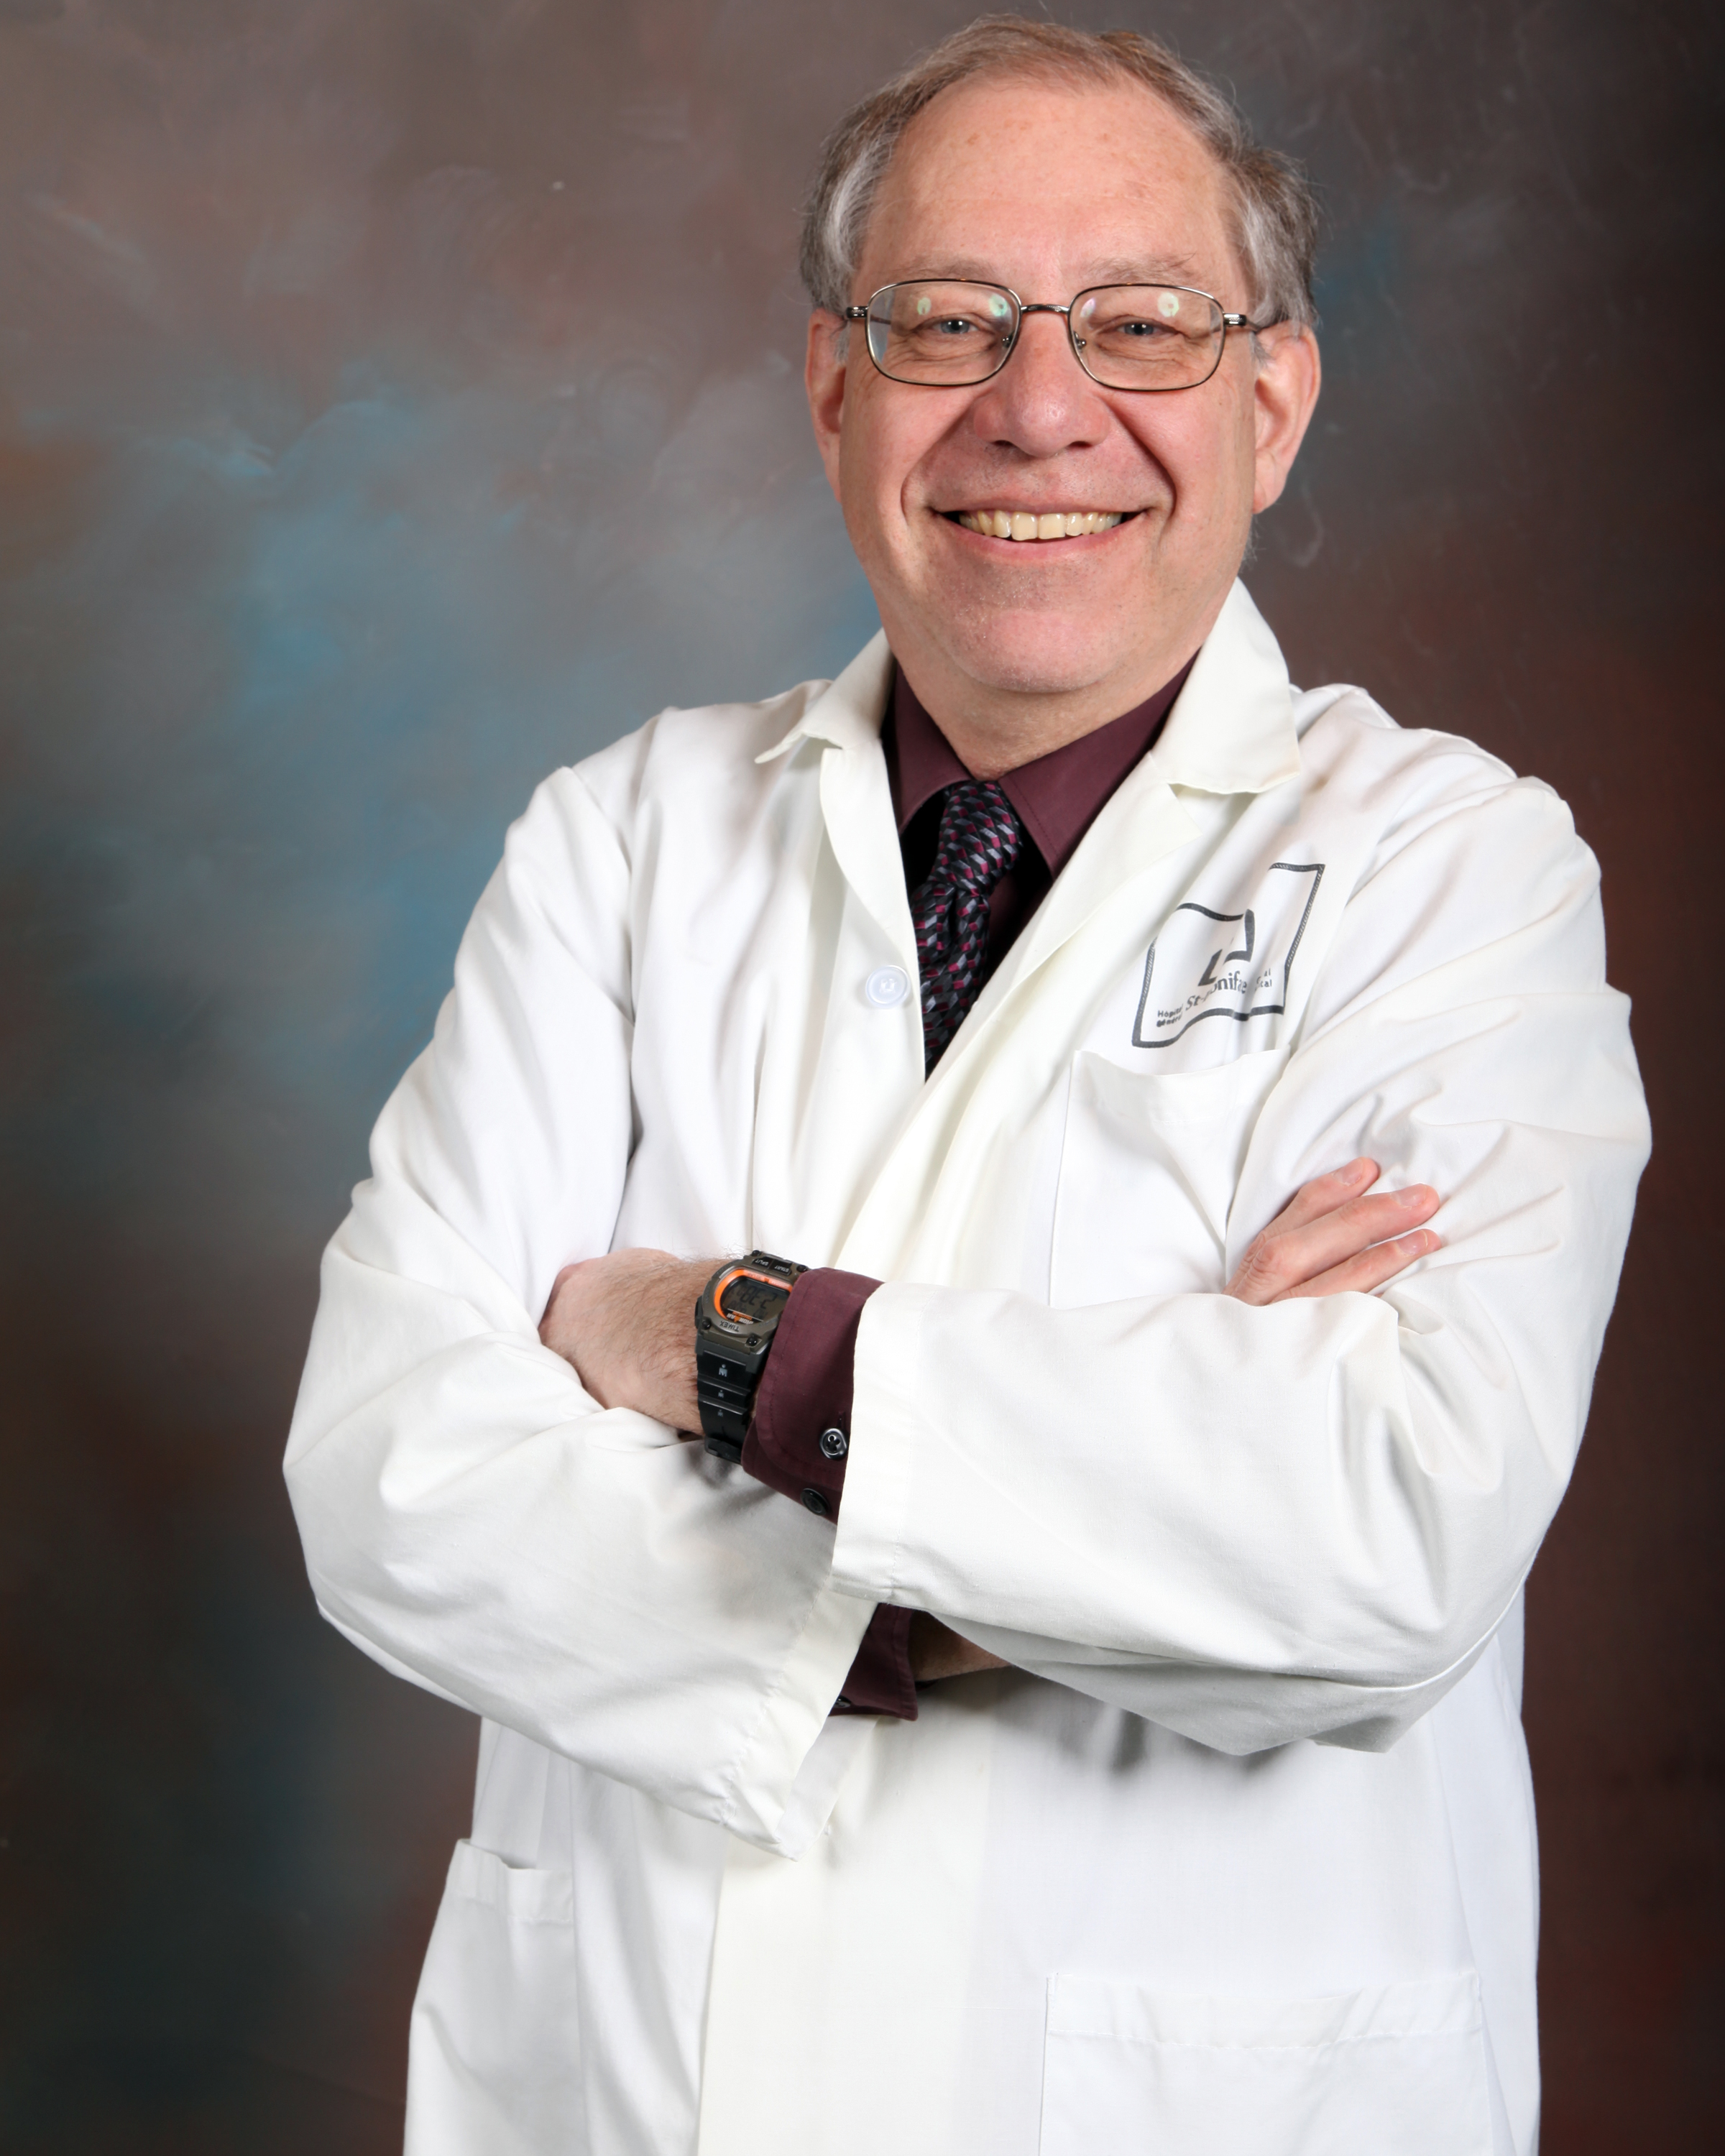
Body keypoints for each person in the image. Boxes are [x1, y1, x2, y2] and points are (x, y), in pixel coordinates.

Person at [285, 19, 1648, 2155]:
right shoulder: (621, 841)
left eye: (1145, 324)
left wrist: (710, 1336)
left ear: (1272, 404)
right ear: (837, 391)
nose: (1039, 406)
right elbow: (389, 1479)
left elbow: (1387, 1535)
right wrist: (1108, 1492)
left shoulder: (1453, 871)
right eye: (947, 321)